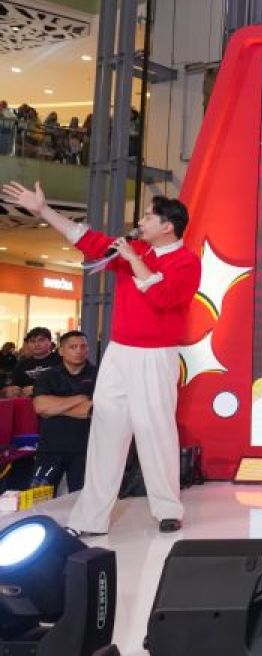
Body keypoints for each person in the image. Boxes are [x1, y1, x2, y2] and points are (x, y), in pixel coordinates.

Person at [1, 181, 201, 535]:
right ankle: (91, 518)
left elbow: (164, 296)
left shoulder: (186, 261)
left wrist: (133, 259)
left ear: (167, 227)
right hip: (119, 352)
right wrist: (43, 210)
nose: (141, 221)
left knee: (155, 430)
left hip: (156, 355)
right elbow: (85, 238)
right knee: (106, 429)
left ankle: (167, 509)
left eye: (148, 216)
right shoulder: (133, 249)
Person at [31, 331, 96, 494]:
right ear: (61, 351)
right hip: (50, 448)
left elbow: (91, 410)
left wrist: (54, 408)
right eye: (73, 347)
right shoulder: (47, 376)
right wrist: (79, 398)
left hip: (86, 449)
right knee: (40, 498)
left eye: (83, 346)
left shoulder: (99, 375)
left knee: (82, 498)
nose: (79, 350)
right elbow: (40, 407)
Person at [2, 327, 61, 398]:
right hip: (25, 402)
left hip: (54, 402)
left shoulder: (61, 361)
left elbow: (68, 386)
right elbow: (14, 385)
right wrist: (10, 391)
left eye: (41, 340)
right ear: (28, 344)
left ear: (50, 342)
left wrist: (38, 389)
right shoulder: (21, 364)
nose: (36, 344)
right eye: (32, 341)